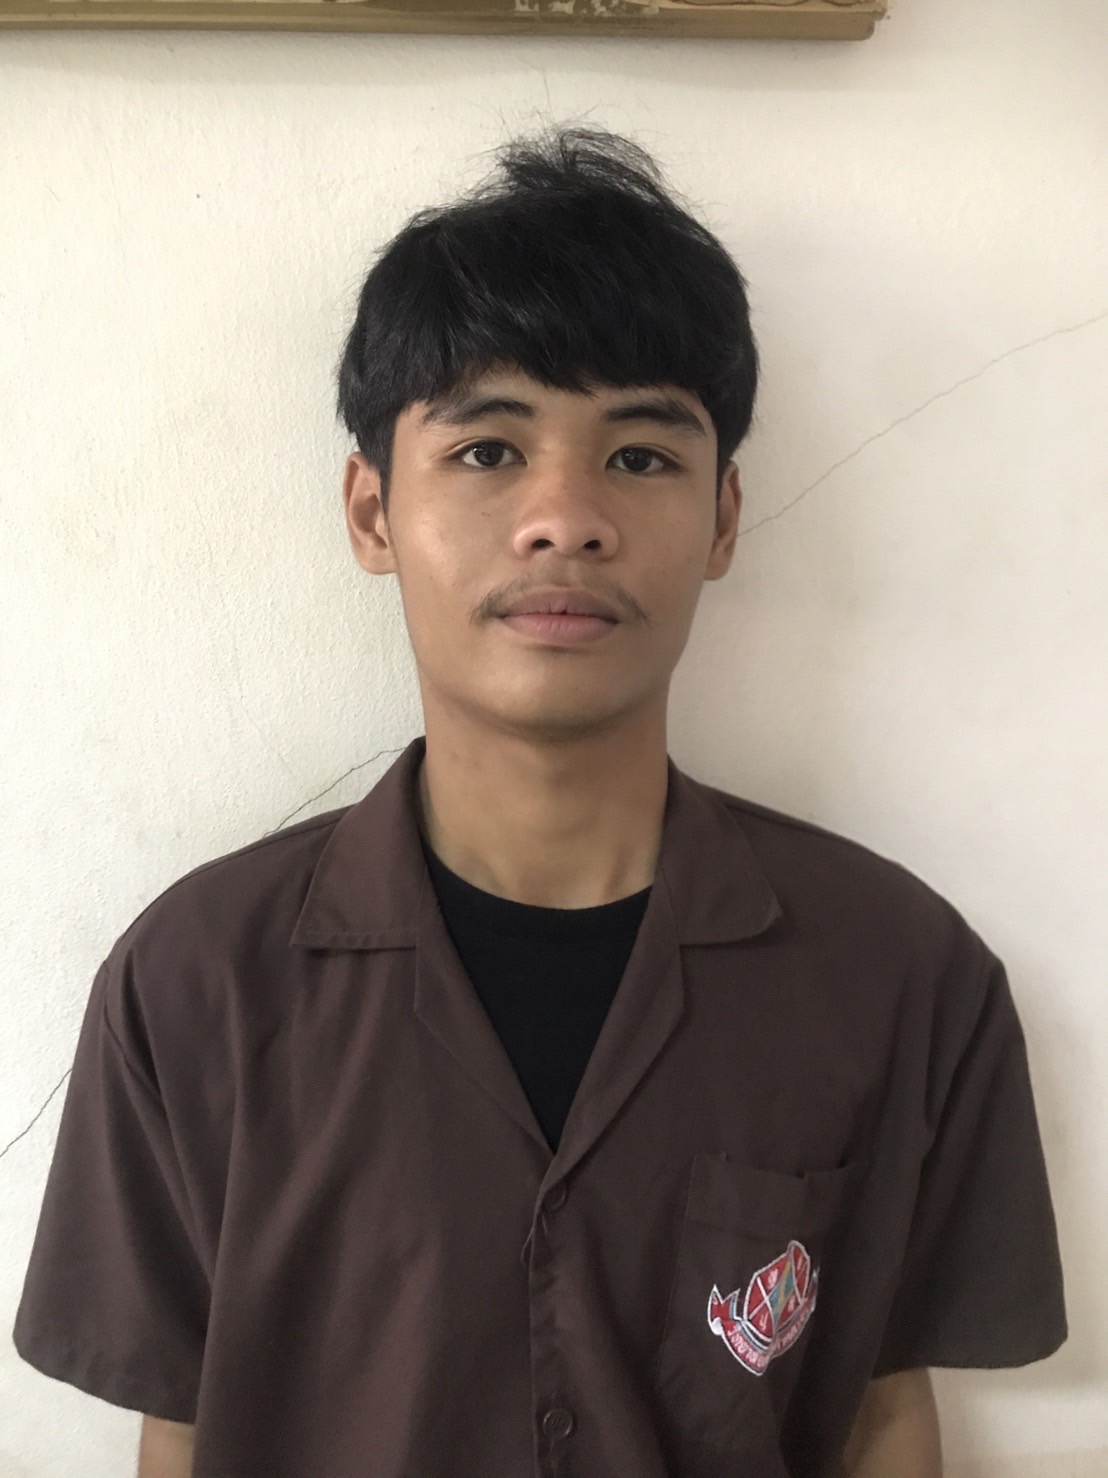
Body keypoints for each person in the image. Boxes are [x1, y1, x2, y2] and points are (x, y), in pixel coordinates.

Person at [12, 124, 1066, 1478]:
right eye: (487, 450)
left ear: (724, 518)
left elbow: (878, 1413)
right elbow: (186, 1425)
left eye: (641, 457)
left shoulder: (900, 973)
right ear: (372, 512)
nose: (565, 517)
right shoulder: (194, 983)